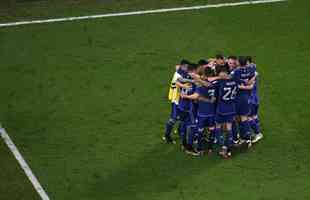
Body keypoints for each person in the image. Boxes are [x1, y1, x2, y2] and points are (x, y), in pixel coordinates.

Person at [163, 59, 189, 144]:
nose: (187, 68)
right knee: (173, 119)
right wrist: (185, 85)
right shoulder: (178, 75)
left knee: (184, 116)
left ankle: (179, 131)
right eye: (185, 67)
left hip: (180, 99)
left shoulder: (180, 71)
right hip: (176, 100)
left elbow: (177, 67)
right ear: (182, 66)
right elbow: (179, 81)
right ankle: (167, 135)